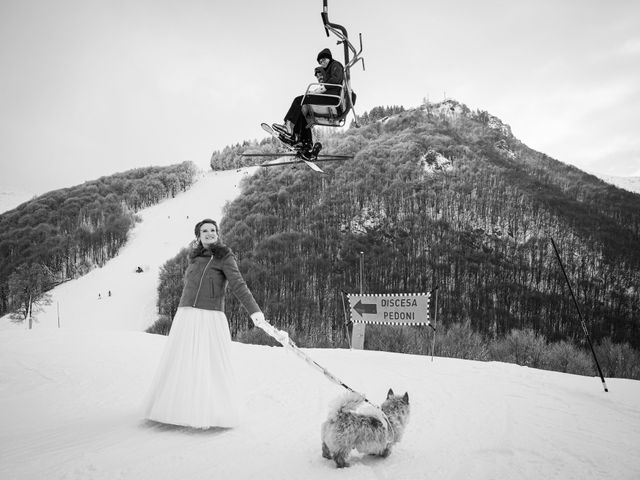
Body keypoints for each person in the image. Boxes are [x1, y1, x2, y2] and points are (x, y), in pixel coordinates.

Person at [144, 218, 265, 429]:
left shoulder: (224, 257)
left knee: (209, 362)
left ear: (217, 233)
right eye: (204, 231)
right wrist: (183, 308)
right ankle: (179, 408)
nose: (209, 233)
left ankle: (214, 411)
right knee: (183, 361)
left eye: (212, 230)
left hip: (209, 315)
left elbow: (238, 284)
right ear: (198, 236)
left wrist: (254, 311)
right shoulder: (195, 258)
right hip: (186, 314)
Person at [272, 48, 345, 149]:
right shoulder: (329, 68)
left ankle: (288, 126)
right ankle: (304, 141)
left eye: (323, 60)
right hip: (329, 97)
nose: (322, 62)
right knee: (302, 111)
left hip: (331, 98)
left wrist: (322, 88)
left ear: (328, 58)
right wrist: (318, 91)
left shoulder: (335, 64)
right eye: (320, 61)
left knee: (299, 100)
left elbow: (336, 78)